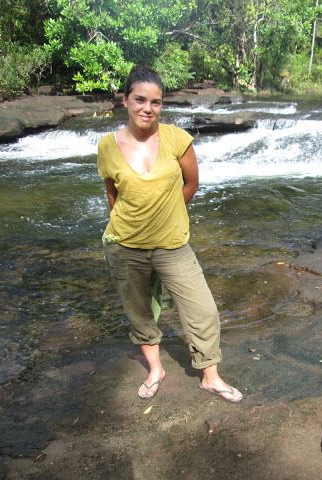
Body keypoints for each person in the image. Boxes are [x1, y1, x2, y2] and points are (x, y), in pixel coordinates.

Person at [97, 65, 242, 403]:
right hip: (125, 246)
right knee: (141, 312)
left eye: (156, 102)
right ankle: (155, 370)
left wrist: (167, 212)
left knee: (202, 309)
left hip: (172, 245)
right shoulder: (107, 146)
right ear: (125, 100)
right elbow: (112, 194)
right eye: (140, 100)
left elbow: (192, 184)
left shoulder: (177, 139)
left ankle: (210, 376)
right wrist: (130, 223)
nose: (148, 108)